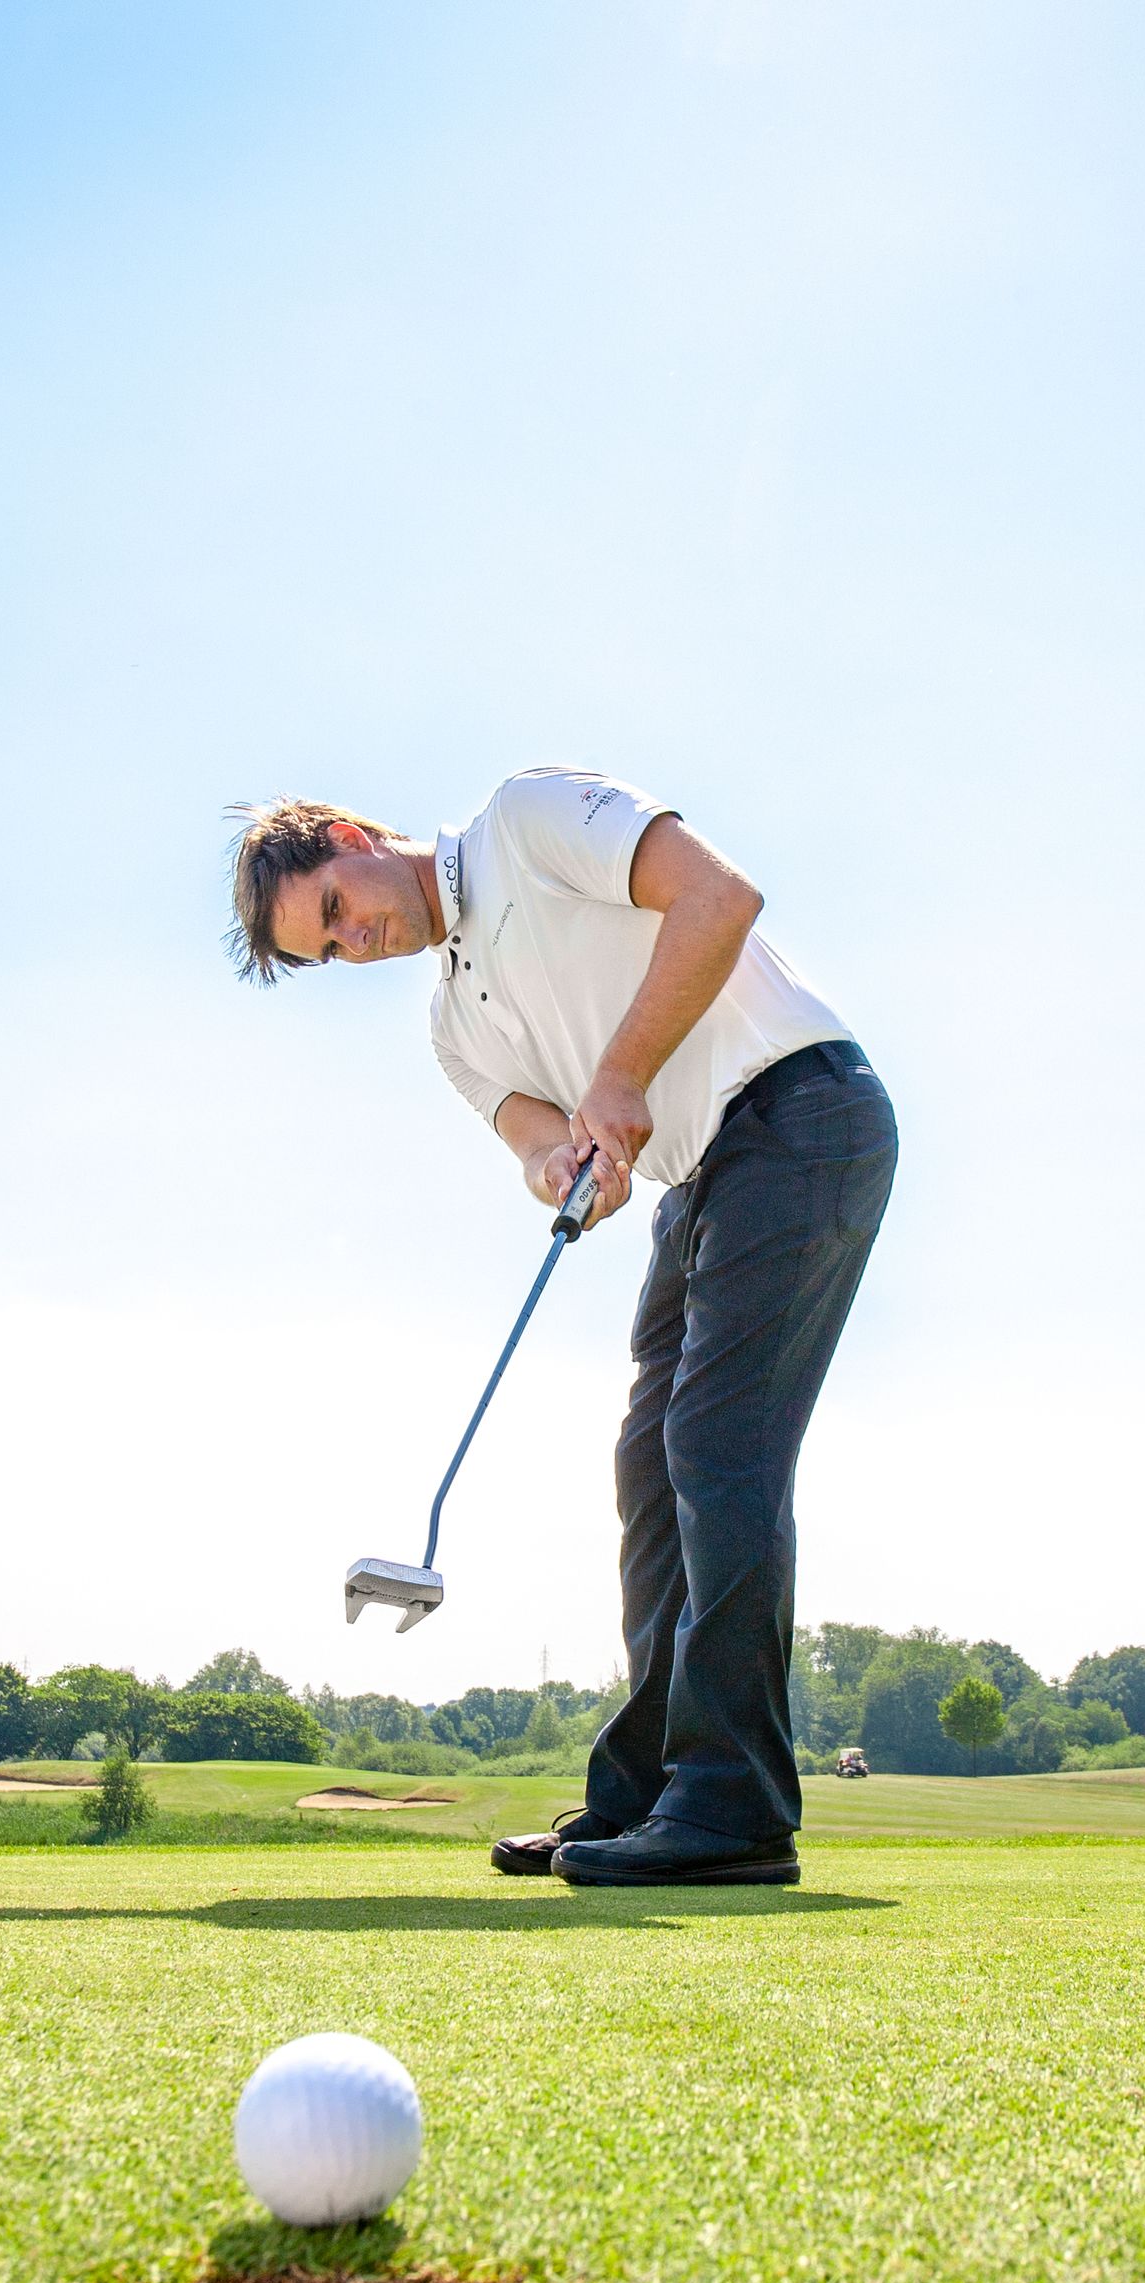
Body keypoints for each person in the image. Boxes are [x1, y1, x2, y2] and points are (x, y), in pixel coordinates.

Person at [227, 767, 896, 1886]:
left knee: (714, 1447)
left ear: (352, 837)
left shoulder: (523, 822)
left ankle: (735, 1809)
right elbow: (541, 1143)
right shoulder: (452, 1029)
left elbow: (721, 900)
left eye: (338, 906)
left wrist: (622, 1074)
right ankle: (646, 1799)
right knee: (649, 1467)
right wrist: (567, 1166)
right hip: (703, 1179)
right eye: (331, 950)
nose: (358, 937)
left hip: (801, 1108)